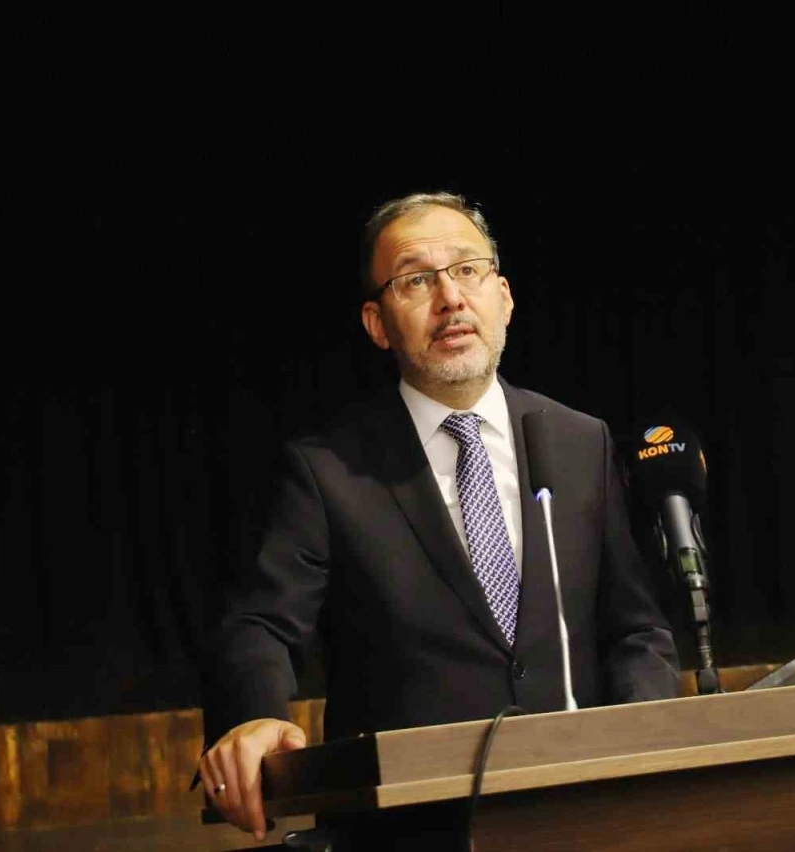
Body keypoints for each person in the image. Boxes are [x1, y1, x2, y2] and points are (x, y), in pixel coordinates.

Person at [197, 192, 680, 844]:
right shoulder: (327, 468)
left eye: (467, 270)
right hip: (409, 829)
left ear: (504, 297)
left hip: (582, 816)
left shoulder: (578, 440)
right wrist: (250, 717)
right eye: (416, 280)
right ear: (376, 323)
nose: (450, 298)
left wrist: (647, 734)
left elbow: (635, 628)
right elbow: (260, 623)